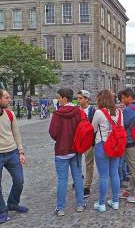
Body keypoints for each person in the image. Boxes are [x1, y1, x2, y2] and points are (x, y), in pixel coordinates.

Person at [49, 88, 86, 217]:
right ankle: (80, 204)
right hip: (75, 150)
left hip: (61, 150)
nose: (57, 100)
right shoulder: (78, 111)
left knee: (62, 179)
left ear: (64, 99)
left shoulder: (57, 114)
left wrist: (60, 138)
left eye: (59, 97)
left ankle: (61, 208)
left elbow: (53, 133)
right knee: (77, 178)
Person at [91, 90, 122, 212]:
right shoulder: (119, 112)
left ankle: (101, 203)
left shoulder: (98, 112)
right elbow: (121, 127)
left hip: (102, 144)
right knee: (114, 173)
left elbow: (93, 128)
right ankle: (115, 201)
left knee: (103, 175)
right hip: (116, 145)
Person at [0, 89, 28, 224]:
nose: (9, 100)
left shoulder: (10, 114)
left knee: (19, 181)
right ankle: (1, 210)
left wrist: (21, 151)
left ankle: (13, 203)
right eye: (6, 97)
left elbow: (16, 134)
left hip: (12, 152)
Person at [77, 90, 96, 198]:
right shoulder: (75, 111)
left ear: (87, 100)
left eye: (80, 98)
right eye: (78, 98)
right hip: (78, 142)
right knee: (77, 163)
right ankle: (78, 179)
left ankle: (87, 186)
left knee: (89, 165)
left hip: (89, 142)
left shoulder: (93, 111)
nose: (78, 100)